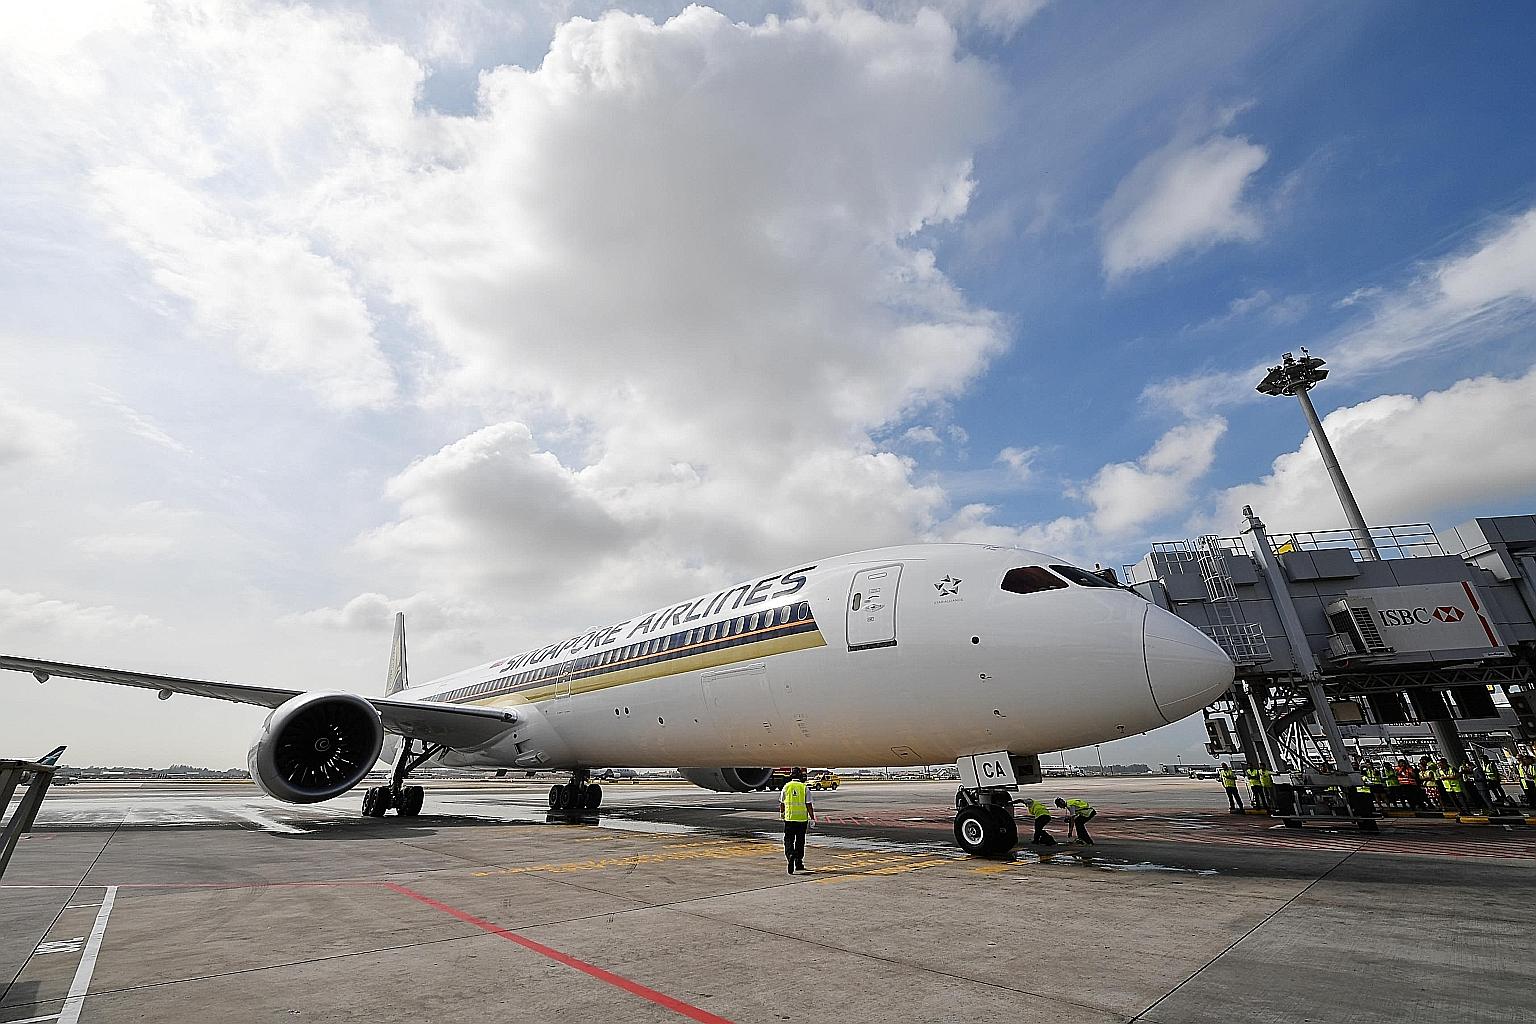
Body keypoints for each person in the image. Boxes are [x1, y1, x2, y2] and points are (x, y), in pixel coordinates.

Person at [779, 767, 814, 873]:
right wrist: (812, 817)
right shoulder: (804, 788)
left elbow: (782, 803)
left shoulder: (786, 787)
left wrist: (782, 814)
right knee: (800, 841)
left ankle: (790, 855)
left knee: (788, 840)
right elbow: (809, 804)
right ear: (800, 776)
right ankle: (798, 862)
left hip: (789, 819)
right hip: (802, 820)